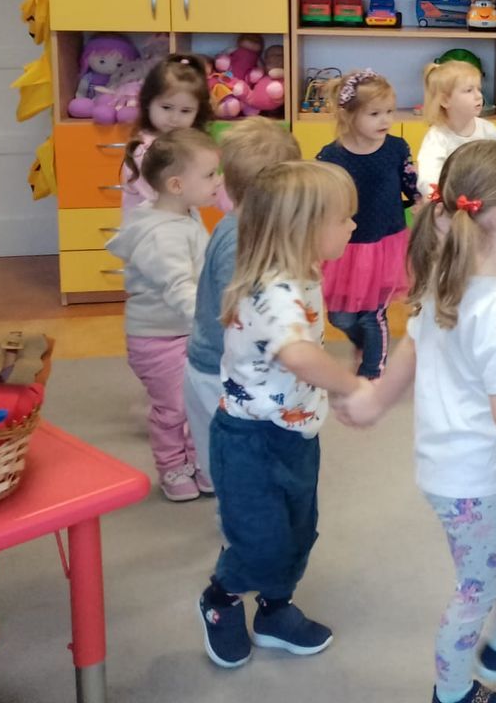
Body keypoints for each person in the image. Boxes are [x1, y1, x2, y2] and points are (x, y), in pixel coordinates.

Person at [346, 141, 496, 702]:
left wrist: (376, 401)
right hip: (469, 479)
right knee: (477, 589)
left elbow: (413, 346)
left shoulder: (449, 279)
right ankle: (452, 693)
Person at [197, 161, 375, 670]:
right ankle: (221, 598)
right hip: (249, 439)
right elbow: (297, 355)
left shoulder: (304, 273)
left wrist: (324, 397)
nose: (353, 226)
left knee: (299, 530)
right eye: (343, 218)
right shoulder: (271, 290)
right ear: (303, 228)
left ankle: (275, 609)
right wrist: (352, 386)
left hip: (296, 432)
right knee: (260, 540)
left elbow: (301, 354)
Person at [185, 117, 300, 491]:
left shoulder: (243, 225)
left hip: (218, 366)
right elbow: (238, 314)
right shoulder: (241, 240)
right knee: (234, 470)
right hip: (217, 371)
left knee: (233, 462)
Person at [107, 128, 221, 501]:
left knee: (199, 401)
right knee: (173, 407)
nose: (218, 181)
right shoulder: (162, 235)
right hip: (159, 337)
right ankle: (173, 467)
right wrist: (210, 322)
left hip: (184, 331)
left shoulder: (184, 213)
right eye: (210, 175)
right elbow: (178, 288)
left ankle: (199, 461)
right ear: (176, 185)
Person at [315, 70, 417, 377]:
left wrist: (421, 200)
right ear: (348, 115)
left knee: (373, 314)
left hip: (386, 244)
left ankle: (372, 371)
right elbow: (320, 199)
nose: (385, 120)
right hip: (345, 247)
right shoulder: (330, 156)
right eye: (374, 114)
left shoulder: (396, 148)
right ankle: (363, 345)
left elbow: (411, 184)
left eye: (389, 111)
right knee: (340, 317)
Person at [119, 52, 214, 218]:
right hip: (150, 226)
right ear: (148, 102)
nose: (174, 118)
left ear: (197, 112)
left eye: (186, 111)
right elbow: (158, 200)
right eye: (166, 107)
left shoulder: (187, 144)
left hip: (178, 220)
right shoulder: (144, 150)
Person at [416, 59, 496, 198]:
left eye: (479, 89)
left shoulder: (488, 130)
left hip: (486, 198)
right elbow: (428, 178)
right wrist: (441, 198)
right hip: (451, 201)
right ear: (445, 101)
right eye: (469, 90)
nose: (479, 96)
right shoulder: (437, 137)